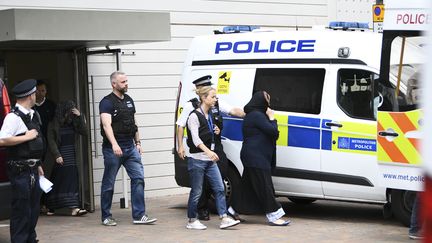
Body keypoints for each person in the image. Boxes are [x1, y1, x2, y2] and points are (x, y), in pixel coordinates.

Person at [176, 75, 244, 221]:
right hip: (201, 149)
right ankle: (201, 209)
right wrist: (180, 146)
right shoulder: (191, 107)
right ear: (201, 92)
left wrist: (250, 113)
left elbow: (233, 111)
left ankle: (221, 212)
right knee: (199, 185)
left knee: (222, 171)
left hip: (216, 145)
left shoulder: (216, 103)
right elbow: (181, 126)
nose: (214, 97)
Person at [99, 71, 156, 226]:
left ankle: (139, 215)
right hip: (113, 150)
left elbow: (134, 122)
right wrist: (114, 144)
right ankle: (106, 216)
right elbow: (106, 125)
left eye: (126, 81)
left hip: (130, 148)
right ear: (114, 84)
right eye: (123, 82)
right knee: (109, 183)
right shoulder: (106, 102)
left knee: (138, 179)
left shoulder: (129, 100)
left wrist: (138, 143)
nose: (126, 84)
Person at [230, 91, 291, 226]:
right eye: (267, 101)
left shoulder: (254, 115)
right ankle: (274, 215)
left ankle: (231, 211)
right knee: (264, 185)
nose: (269, 104)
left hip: (253, 155)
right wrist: (272, 117)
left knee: (247, 187)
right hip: (255, 157)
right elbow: (274, 132)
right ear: (261, 102)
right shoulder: (257, 116)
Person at [0, 79, 45, 243]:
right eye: (35, 93)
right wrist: (26, 136)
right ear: (30, 96)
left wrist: (38, 164)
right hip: (20, 171)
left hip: (33, 169)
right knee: (22, 211)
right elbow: (2, 140)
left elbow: (34, 145)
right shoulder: (13, 117)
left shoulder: (34, 115)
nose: (36, 96)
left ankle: (30, 239)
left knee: (33, 210)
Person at [45, 100, 88, 216]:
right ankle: (50, 205)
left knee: (72, 180)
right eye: (69, 110)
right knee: (58, 181)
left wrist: (79, 117)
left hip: (71, 155)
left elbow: (84, 132)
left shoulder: (73, 122)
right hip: (60, 155)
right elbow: (51, 140)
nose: (71, 113)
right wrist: (57, 155)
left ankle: (74, 208)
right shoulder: (53, 124)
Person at [34, 79, 56, 214]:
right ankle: (37, 204)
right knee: (36, 175)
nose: (41, 93)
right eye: (38, 91)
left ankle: (47, 203)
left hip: (49, 145)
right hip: (35, 146)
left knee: (47, 174)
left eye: (43, 90)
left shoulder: (51, 106)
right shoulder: (30, 108)